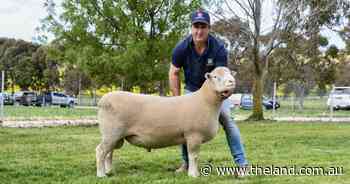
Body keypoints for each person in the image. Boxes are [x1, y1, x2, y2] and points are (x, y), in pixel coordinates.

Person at [168, 9, 248, 176]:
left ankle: (242, 165)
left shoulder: (218, 48)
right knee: (185, 124)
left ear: (209, 28)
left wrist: (226, 94)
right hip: (191, 90)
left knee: (228, 120)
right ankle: (187, 163)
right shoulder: (181, 47)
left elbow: (225, 74)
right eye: (196, 26)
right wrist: (176, 99)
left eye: (203, 26)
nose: (199, 30)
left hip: (214, 93)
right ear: (191, 28)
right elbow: (173, 72)